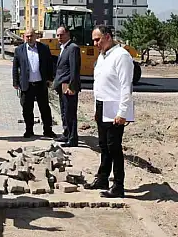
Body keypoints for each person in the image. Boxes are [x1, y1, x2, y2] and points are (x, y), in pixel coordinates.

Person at [84, 26, 134, 198]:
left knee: (114, 148)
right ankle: (102, 178)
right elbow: (100, 83)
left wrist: (122, 112)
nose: (95, 43)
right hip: (102, 105)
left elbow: (126, 87)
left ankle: (118, 185)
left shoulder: (121, 56)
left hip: (114, 108)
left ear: (107, 37)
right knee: (103, 145)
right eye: (94, 40)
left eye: (98, 39)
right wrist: (96, 108)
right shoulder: (103, 56)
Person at [12, 28, 57, 138]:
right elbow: (15, 67)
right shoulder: (19, 50)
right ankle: (29, 130)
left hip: (41, 84)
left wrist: (50, 79)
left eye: (31, 36)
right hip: (26, 85)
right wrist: (15, 82)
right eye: (27, 36)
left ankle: (47, 130)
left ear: (36, 36)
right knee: (27, 109)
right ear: (24, 37)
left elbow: (49, 64)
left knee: (45, 108)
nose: (29, 38)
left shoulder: (44, 48)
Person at [54, 26, 81, 147]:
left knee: (70, 112)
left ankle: (72, 138)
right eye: (58, 35)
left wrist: (72, 87)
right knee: (64, 112)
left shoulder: (73, 48)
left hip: (68, 86)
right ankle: (66, 133)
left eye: (61, 35)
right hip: (62, 86)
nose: (59, 37)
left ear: (68, 34)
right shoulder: (63, 48)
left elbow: (74, 69)